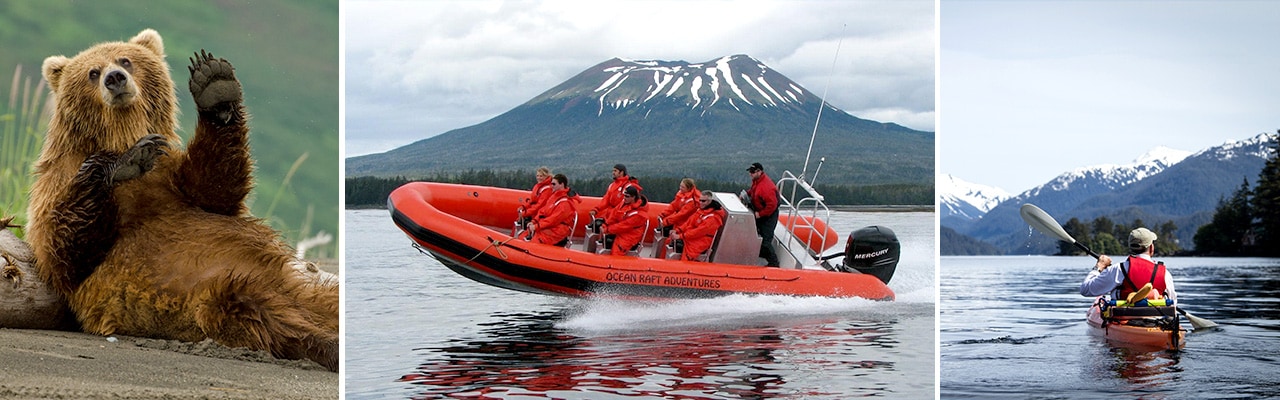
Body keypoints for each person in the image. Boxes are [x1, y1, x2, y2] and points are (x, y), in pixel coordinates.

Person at [1080, 227, 1178, 305]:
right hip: (1157, 322)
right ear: (1151, 247)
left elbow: (1085, 289)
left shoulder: (1118, 269)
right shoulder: (1165, 273)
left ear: (1130, 247)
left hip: (1123, 321)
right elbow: (1173, 303)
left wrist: (1099, 267)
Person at [669, 191, 725, 261]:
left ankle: (683, 268)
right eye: (700, 200)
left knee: (687, 255)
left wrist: (680, 236)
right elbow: (689, 223)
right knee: (670, 241)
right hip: (691, 237)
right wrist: (677, 230)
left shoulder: (713, 218)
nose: (700, 202)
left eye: (703, 201)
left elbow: (699, 232)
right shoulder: (701, 211)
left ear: (709, 202)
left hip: (701, 241)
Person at [528, 174, 581, 247]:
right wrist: (534, 221)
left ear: (561, 184)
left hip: (557, 230)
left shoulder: (566, 203)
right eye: (551, 184)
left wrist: (537, 226)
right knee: (527, 233)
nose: (551, 186)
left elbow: (554, 220)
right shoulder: (554, 196)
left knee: (538, 238)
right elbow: (543, 211)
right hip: (550, 227)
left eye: (554, 184)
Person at [746, 162, 780, 267]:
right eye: (750, 172)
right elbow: (753, 191)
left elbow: (772, 205)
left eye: (752, 172)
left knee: (766, 240)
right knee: (755, 235)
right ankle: (760, 256)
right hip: (760, 211)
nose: (750, 174)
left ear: (759, 172)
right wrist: (745, 195)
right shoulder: (757, 182)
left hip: (769, 215)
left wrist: (760, 214)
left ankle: (774, 264)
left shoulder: (766, 187)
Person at [600, 186, 649, 256]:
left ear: (633, 197)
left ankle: (615, 264)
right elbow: (614, 214)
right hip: (619, 232)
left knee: (617, 251)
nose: (624, 198)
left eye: (627, 196)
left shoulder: (640, 215)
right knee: (602, 239)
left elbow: (624, 226)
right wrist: (605, 224)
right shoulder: (624, 203)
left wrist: (608, 229)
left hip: (629, 236)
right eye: (624, 196)